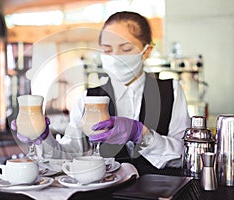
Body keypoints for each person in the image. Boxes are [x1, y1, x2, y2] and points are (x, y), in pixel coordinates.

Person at [12, 11, 190, 169]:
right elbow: (70, 153)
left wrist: (141, 134)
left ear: (146, 51)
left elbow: (183, 156)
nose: (115, 57)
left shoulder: (170, 91)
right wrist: (45, 139)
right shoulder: (88, 98)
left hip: (161, 191)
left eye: (126, 48)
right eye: (107, 50)